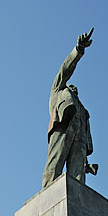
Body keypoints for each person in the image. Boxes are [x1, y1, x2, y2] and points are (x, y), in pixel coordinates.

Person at [42, 29, 98, 188]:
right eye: (71, 88)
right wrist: (78, 50)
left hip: (80, 135)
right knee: (55, 165)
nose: (74, 89)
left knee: (78, 177)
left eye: (75, 90)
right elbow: (65, 70)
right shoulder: (58, 90)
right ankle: (48, 193)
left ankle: (78, 194)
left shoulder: (82, 108)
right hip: (63, 126)